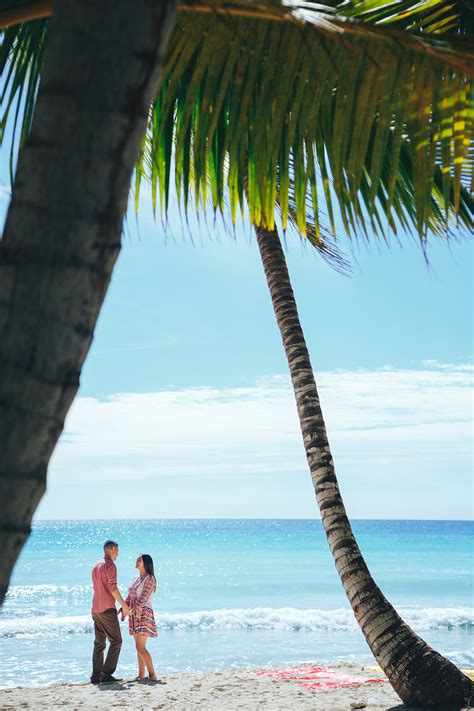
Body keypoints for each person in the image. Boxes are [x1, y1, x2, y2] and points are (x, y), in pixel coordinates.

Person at [90, 540, 130, 684]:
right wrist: (124, 605)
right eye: (117, 550)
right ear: (112, 549)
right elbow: (112, 588)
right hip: (106, 609)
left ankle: (96, 676)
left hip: (95, 609)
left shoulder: (96, 565)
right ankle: (106, 675)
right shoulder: (110, 565)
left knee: (99, 643)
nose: (118, 553)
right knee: (116, 641)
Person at [122, 554, 158, 681]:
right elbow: (130, 596)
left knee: (140, 647)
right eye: (137, 559)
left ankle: (152, 674)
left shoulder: (150, 579)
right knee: (138, 646)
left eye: (139, 559)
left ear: (146, 563)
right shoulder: (136, 578)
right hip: (134, 614)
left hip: (143, 613)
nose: (136, 561)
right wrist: (123, 607)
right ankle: (141, 674)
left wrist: (133, 608)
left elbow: (143, 598)